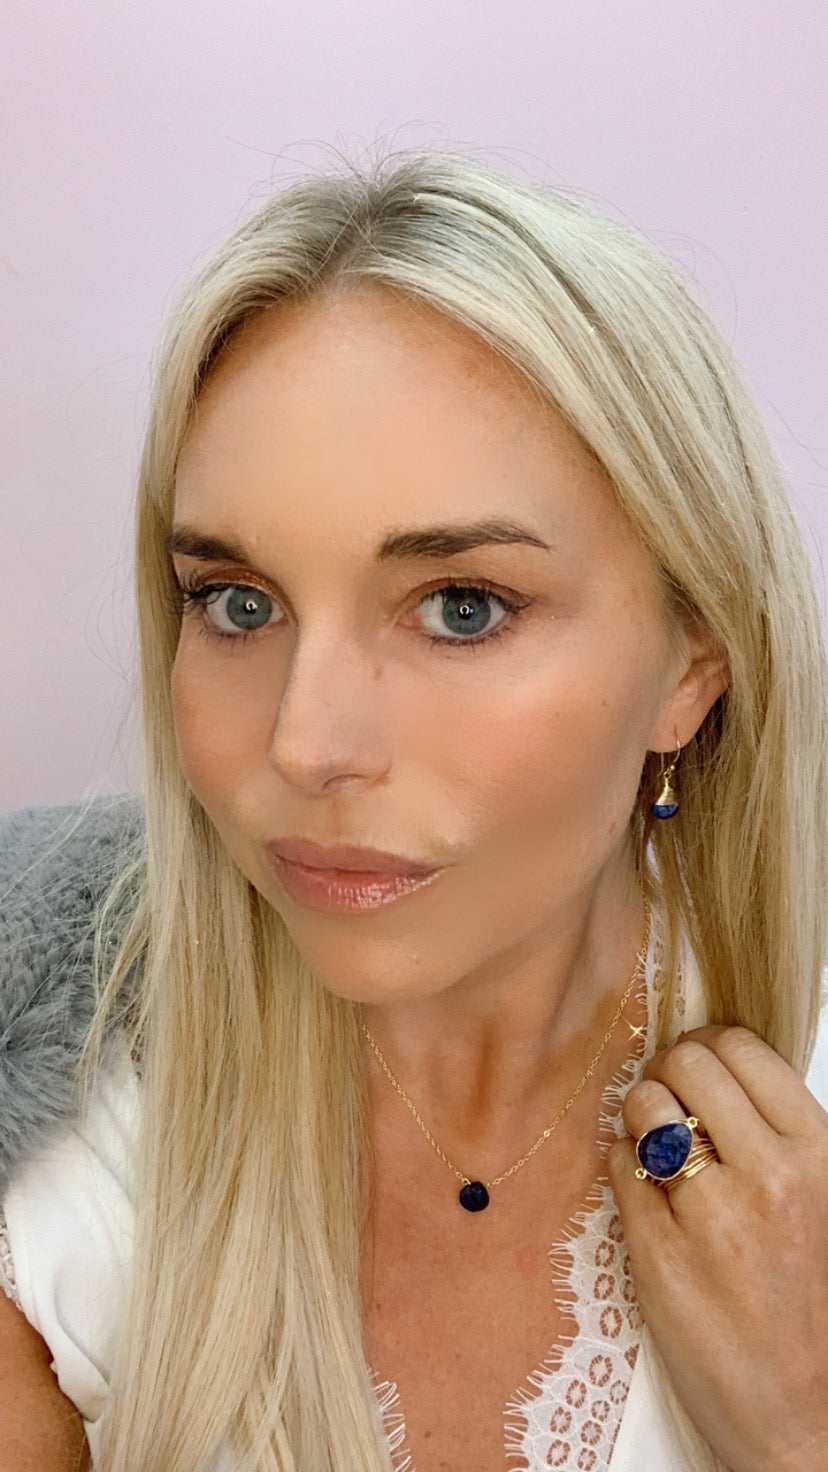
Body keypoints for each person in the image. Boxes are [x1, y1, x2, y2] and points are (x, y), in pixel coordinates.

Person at [1, 148, 826, 1472]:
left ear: (692, 662)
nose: (307, 743)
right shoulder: (65, 1158)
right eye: (238, 602)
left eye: (462, 607)